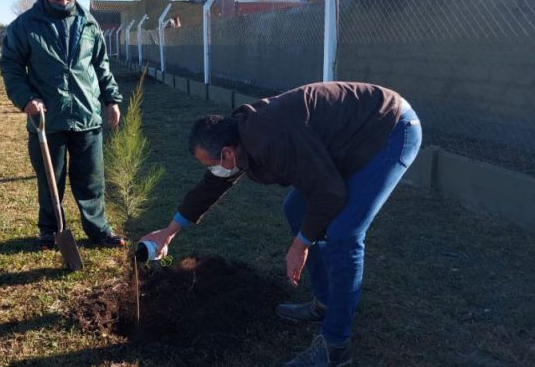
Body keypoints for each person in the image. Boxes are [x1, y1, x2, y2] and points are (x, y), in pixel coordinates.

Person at [138, 82, 422, 366]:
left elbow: (329, 193)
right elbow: (210, 187)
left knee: (344, 233)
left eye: (210, 163)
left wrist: (300, 244)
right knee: (295, 207)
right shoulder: (241, 139)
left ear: (227, 153)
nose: (212, 170)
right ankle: (325, 302)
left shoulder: (271, 139)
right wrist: (168, 232)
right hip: (346, 139)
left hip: (389, 129)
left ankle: (335, 347)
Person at [0, 0, 126, 250]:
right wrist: (25, 99)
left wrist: (111, 99)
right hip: (47, 119)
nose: (65, 3)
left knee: (91, 180)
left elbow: (101, 65)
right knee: (50, 181)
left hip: (86, 115)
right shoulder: (25, 26)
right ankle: (51, 230)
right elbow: (10, 67)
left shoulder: (89, 23)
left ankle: (98, 231)